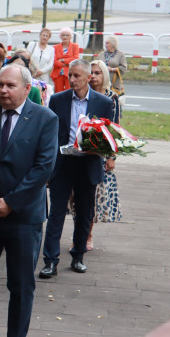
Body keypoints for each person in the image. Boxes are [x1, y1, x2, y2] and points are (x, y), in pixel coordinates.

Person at [0, 64, 59, 337]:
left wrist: (11, 201)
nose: (3, 90)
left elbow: (44, 167)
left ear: (26, 88)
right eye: (0, 84)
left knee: (21, 283)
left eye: (10, 85)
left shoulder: (45, 118)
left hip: (24, 216)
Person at [40, 59, 115, 277]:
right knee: (56, 214)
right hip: (63, 164)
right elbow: (51, 135)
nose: (71, 80)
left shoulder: (103, 102)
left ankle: (78, 256)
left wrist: (101, 152)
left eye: (76, 76)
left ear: (88, 78)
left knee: (84, 214)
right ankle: (50, 260)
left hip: (88, 164)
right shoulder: (57, 100)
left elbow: (108, 136)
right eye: (70, 75)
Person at [87, 59, 122, 249]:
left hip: (100, 154)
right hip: (82, 151)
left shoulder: (111, 97)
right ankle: (81, 232)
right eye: (91, 72)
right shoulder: (83, 94)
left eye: (97, 73)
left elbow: (116, 128)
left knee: (94, 198)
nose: (93, 76)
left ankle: (88, 234)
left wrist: (111, 157)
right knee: (78, 198)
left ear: (105, 75)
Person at [93, 35, 127, 105]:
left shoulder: (120, 55)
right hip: (101, 83)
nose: (105, 45)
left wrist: (112, 69)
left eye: (107, 43)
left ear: (113, 44)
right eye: (105, 43)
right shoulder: (101, 55)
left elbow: (124, 68)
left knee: (113, 103)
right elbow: (95, 66)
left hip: (114, 84)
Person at [51, 27, 80, 94]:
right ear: (60, 36)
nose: (65, 37)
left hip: (70, 73)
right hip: (58, 73)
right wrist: (65, 64)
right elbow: (54, 62)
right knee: (58, 93)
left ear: (70, 36)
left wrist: (62, 60)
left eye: (67, 35)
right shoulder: (55, 47)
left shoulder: (75, 46)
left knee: (69, 92)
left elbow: (75, 59)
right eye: (63, 35)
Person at [28, 28, 54, 99]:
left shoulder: (51, 49)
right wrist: (34, 70)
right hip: (32, 74)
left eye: (47, 36)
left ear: (49, 38)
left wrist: (41, 71)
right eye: (43, 35)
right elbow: (27, 57)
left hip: (43, 77)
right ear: (40, 35)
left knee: (42, 96)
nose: (44, 37)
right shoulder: (32, 45)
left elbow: (50, 64)